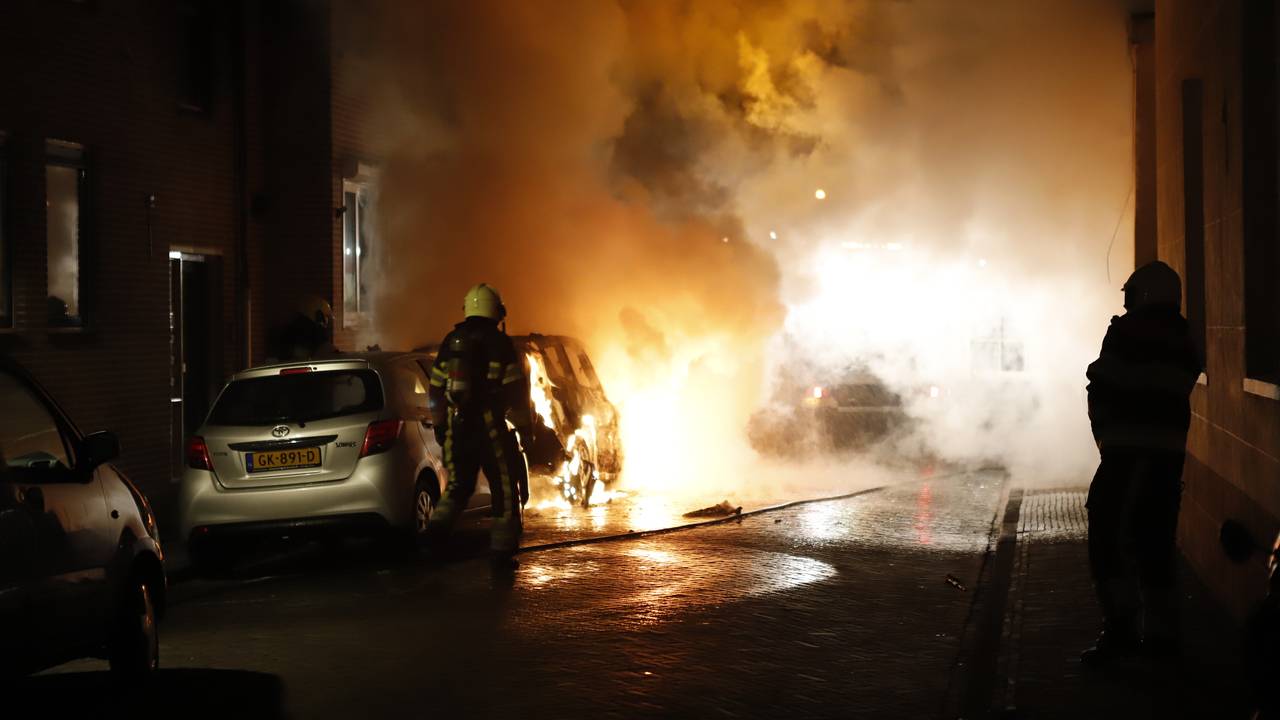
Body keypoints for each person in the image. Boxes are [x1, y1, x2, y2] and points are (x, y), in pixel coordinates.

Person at [1082, 260, 1201, 665]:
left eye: (1133, 296)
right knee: (1155, 544)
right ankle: (1163, 639)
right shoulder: (1184, 339)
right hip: (1167, 459)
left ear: (1145, 294)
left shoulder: (1127, 333)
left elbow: (1103, 379)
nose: (1128, 304)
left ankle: (1120, 631)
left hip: (1125, 456)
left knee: (1109, 539)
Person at [426, 283, 534, 570]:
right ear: (496, 310)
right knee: (504, 486)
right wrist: (526, 429)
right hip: (490, 429)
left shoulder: (451, 341)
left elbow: (435, 389)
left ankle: (432, 540)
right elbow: (516, 392)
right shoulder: (499, 343)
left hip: (457, 428)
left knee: (457, 488)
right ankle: (501, 552)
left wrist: (441, 427)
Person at [269, 296, 336, 361]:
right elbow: (327, 351)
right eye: (325, 316)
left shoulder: (289, 330)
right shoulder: (314, 332)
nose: (326, 321)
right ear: (318, 316)